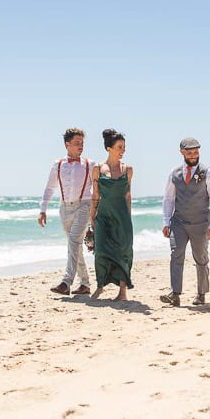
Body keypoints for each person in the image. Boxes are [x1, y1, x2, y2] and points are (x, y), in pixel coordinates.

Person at [160, 137, 210, 307]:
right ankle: (175, 293)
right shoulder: (174, 173)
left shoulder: (208, 172)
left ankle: (201, 294)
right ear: (182, 152)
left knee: (201, 258)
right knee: (176, 255)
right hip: (178, 222)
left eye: (196, 152)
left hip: (200, 223)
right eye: (190, 152)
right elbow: (168, 199)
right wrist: (166, 221)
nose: (194, 155)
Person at [38, 127, 92, 296]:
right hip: (65, 208)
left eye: (82, 143)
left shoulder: (91, 165)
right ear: (67, 145)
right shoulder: (58, 164)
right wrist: (43, 209)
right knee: (74, 246)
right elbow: (50, 187)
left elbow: (98, 189)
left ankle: (66, 282)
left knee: (74, 242)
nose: (80, 146)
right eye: (77, 143)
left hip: (84, 205)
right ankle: (85, 284)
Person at [89, 128, 134, 301]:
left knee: (124, 252)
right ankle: (100, 286)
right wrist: (92, 217)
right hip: (104, 217)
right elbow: (95, 195)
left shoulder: (127, 169)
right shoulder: (98, 169)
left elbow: (128, 196)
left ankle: (122, 292)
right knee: (100, 251)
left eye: (123, 147)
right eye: (119, 147)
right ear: (109, 148)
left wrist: (128, 219)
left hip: (122, 217)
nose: (123, 151)